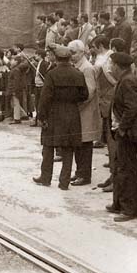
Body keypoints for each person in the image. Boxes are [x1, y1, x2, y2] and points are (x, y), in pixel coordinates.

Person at [33, 45, 89, 190]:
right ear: (69, 58)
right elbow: (85, 95)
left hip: (53, 113)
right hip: (72, 113)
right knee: (68, 148)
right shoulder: (78, 74)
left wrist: (41, 115)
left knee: (48, 146)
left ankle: (45, 177)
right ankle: (64, 182)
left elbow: (45, 97)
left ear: (57, 59)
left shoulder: (52, 74)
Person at [106, 52, 137, 222]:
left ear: (117, 66)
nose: (110, 68)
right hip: (124, 132)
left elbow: (133, 107)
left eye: (111, 65)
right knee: (119, 168)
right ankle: (118, 203)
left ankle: (129, 210)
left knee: (127, 170)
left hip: (130, 134)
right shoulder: (125, 79)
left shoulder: (128, 80)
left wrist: (122, 128)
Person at [68, 40, 102, 186]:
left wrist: (75, 105)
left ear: (82, 52)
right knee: (78, 144)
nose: (71, 55)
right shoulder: (77, 66)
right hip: (79, 111)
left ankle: (84, 175)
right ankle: (79, 172)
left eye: (73, 52)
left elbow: (89, 92)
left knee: (85, 145)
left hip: (85, 112)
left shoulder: (87, 68)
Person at [92, 35, 117, 190]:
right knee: (109, 139)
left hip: (108, 102)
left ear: (100, 45)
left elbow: (112, 81)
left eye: (94, 46)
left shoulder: (105, 59)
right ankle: (112, 174)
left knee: (112, 139)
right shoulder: (103, 58)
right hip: (105, 102)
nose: (92, 50)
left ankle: (115, 178)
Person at [8, 55, 27, 124]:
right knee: (14, 103)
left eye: (12, 60)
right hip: (15, 89)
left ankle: (17, 118)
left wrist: (14, 90)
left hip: (14, 89)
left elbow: (16, 81)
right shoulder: (16, 69)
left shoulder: (15, 70)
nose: (10, 61)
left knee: (15, 103)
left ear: (16, 62)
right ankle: (23, 114)